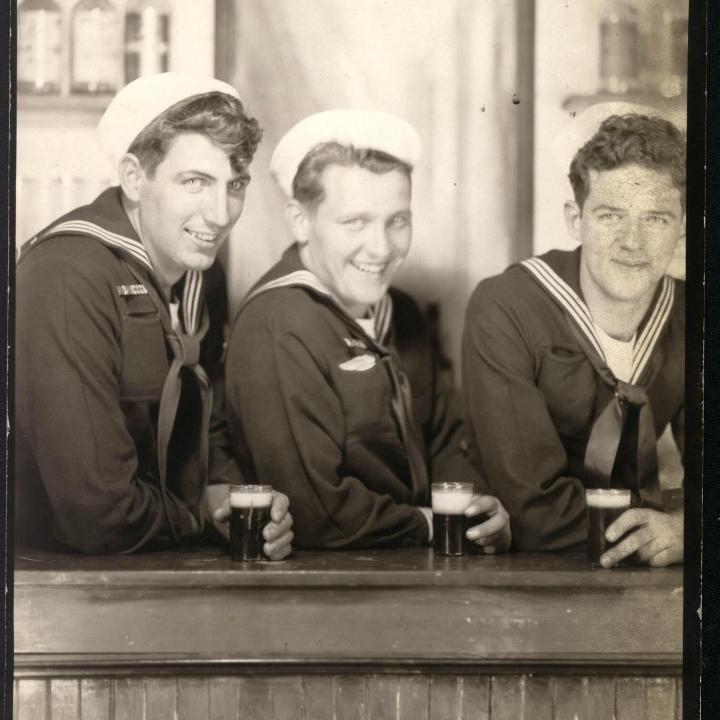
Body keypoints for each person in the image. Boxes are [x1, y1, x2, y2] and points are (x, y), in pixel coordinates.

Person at [16, 73, 293, 557]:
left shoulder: (197, 274)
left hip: (154, 564)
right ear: (133, 177)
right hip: (55, 589)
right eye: (194, 182)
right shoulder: (66, 276)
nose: (221, 214)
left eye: (235, 185)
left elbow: (206, 428)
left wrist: (236, 498)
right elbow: (97, 514)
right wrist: (201, 516)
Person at [224, 109, 511, 551]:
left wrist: (479, 511)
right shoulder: (277, 324)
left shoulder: (406, 315)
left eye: (397, 220)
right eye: (355, 222)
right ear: (300, 220)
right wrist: (434, 525)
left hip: (416, 569)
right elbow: (315, 510)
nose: (380, 248)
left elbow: (448, 446)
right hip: (325, 589)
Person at [462, 112, 685, 567]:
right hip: (511, 569)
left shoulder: (692, 313)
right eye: (610, 216)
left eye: (657, 219)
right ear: (574, 219)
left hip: (637, 573)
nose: (632, 241)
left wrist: (689, 530)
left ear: (682, 228)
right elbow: (534, 511)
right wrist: (678, 524)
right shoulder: (507, 305)